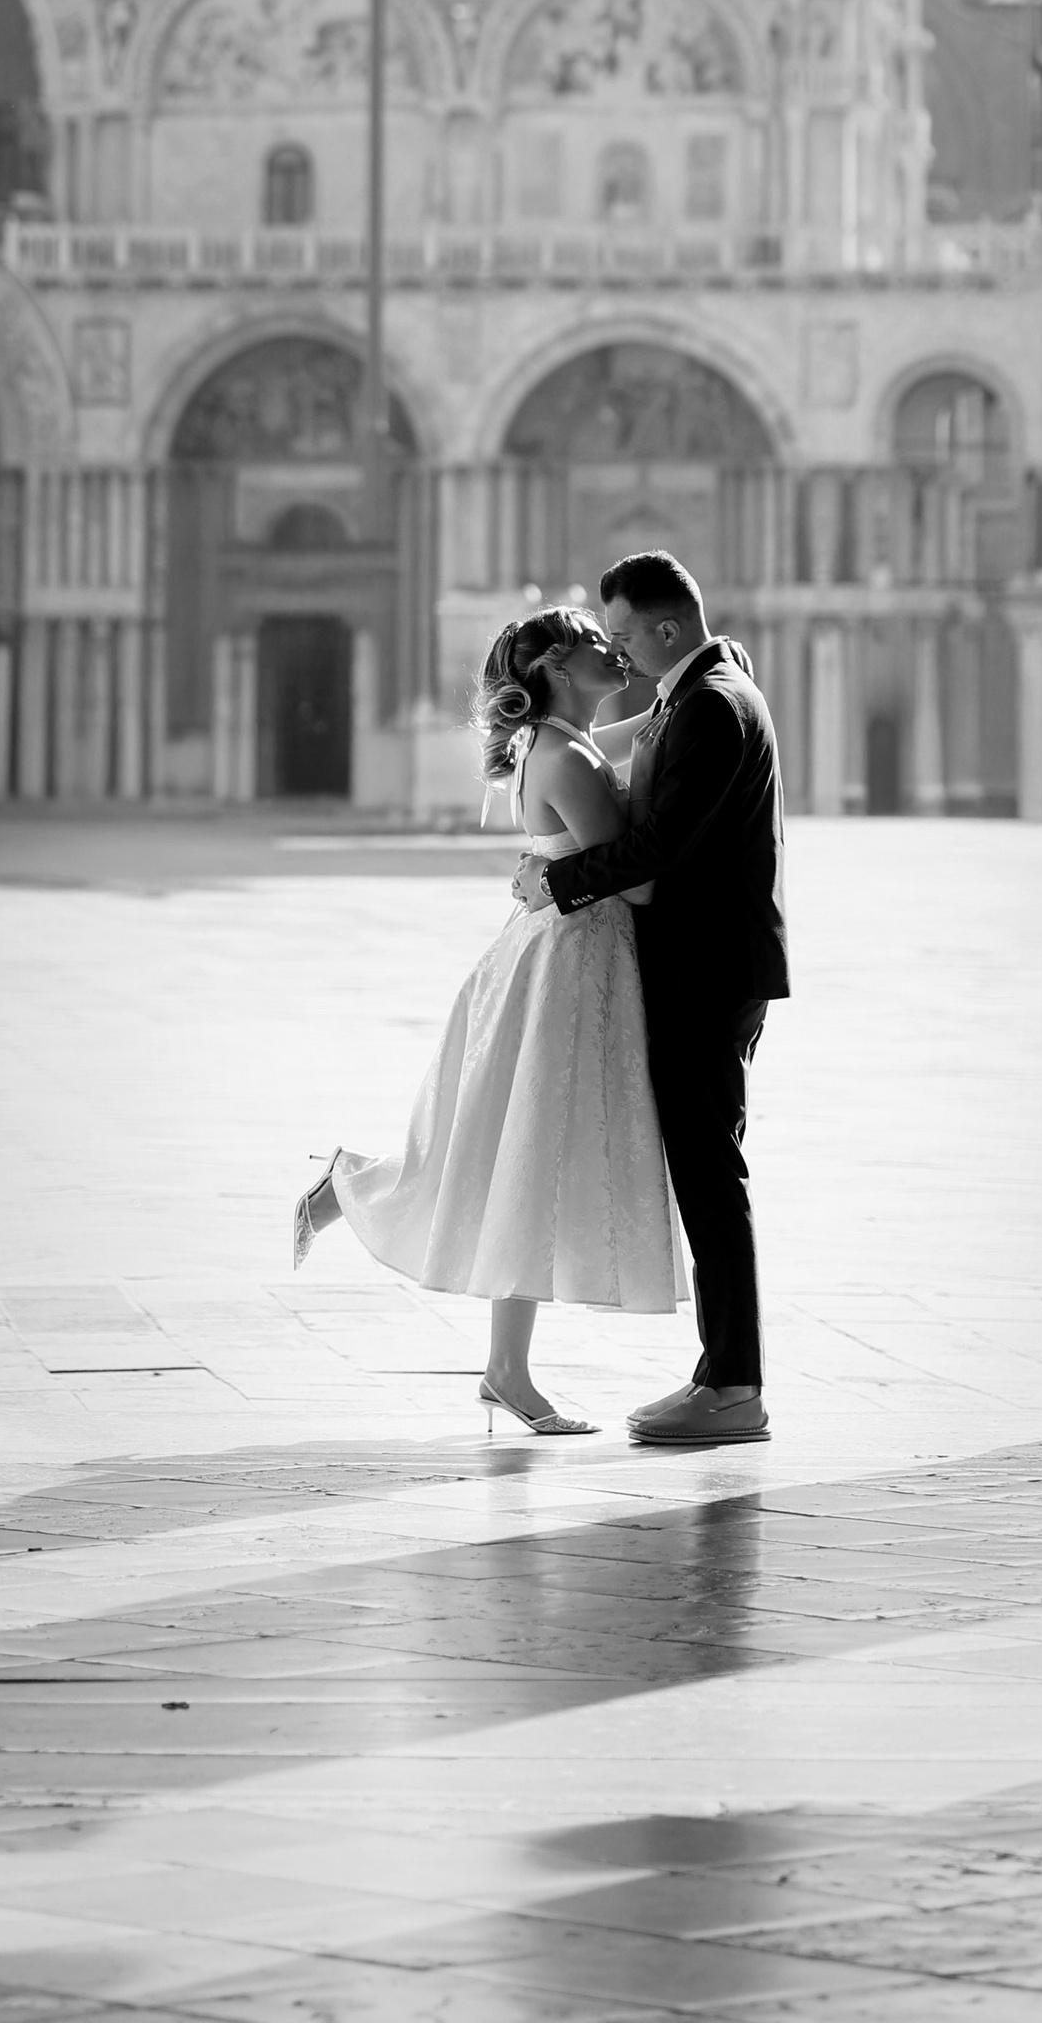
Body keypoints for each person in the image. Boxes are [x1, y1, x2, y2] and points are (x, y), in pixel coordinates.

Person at [288, 605, 685, 1432]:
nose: (615, 652)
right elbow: (637, 882)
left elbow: (625, 739)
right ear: (558, 669)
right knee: (525, 1155)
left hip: (555, 960)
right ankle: (355, 1191)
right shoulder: (566, 755)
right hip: (568, 970)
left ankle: (506, 1367)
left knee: (525, 1161)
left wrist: (678, 699)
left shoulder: (556, 741)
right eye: (594, 644)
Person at [514, 549, 786, 1448]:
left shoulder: (709, 702)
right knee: (709, 1173)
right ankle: (721, 1376)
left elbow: (661, 846)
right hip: (708, 964)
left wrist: (558, 881)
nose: (619, 652)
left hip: (704, 968)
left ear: (668, 626)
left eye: (626, 633)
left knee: (711, 1177)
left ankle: (735, 1386)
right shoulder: (707, 683)